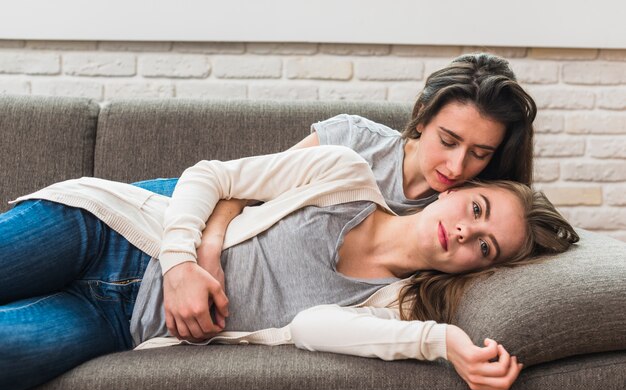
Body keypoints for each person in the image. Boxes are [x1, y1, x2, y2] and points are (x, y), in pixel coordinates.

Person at [0, 146, 577, 390]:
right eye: (477, 211)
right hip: (106, 231)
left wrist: (443, 339)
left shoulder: (395, 304)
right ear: (465, 189)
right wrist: (180, 262)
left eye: (485, 248)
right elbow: (211, 176)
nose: (466, 233)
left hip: (116, 321)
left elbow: (312, 330)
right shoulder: (345, 175)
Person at [138, 52, 538, 343]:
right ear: (421, 116)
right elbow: (241, 189)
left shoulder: (459, 224)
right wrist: (207, 248)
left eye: (479, 154)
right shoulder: (355, 144)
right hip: (188, 214)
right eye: (448, 140)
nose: (455, 166)